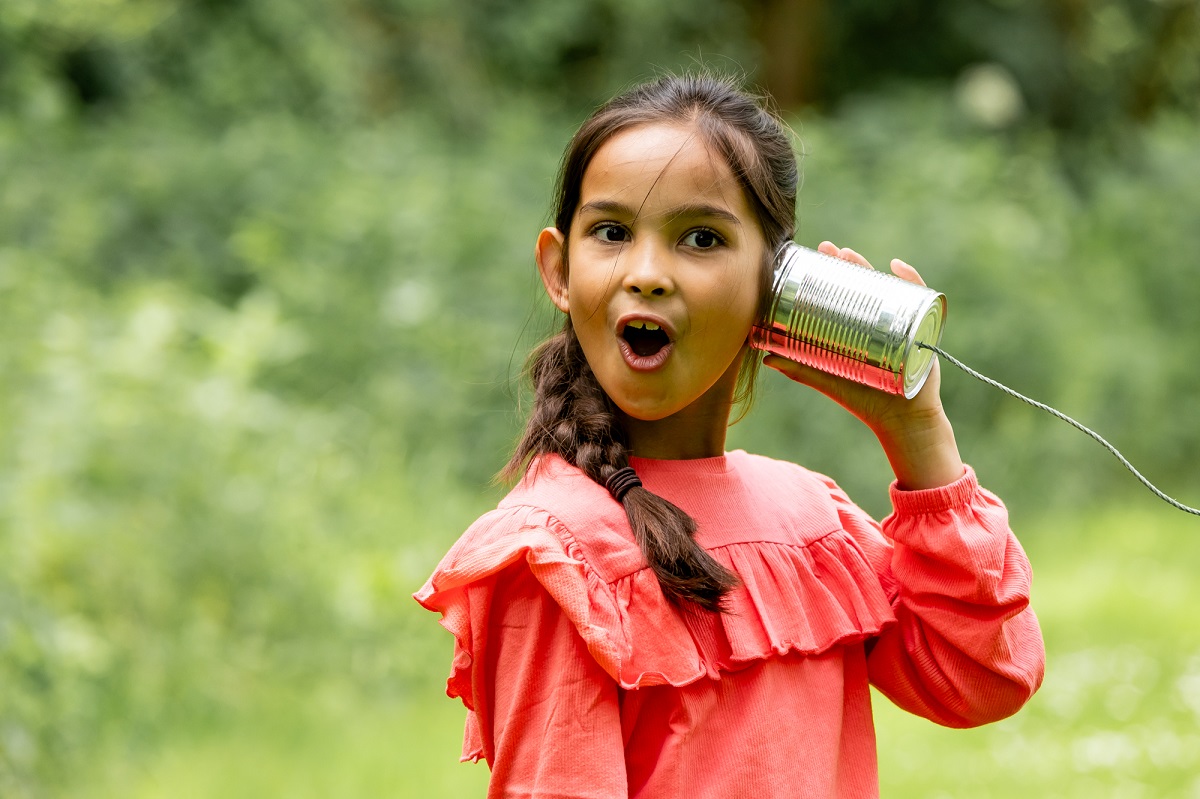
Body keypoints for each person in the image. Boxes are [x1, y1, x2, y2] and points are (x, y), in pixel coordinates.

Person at [413, 72, 1045, 798]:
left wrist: (918, 431)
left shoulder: (814, 521)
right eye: (612, 232)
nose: (646, 273)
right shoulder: (555, 556)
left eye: (701, 237)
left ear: (775, 286)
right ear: (559, 269)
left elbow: (982, 678)